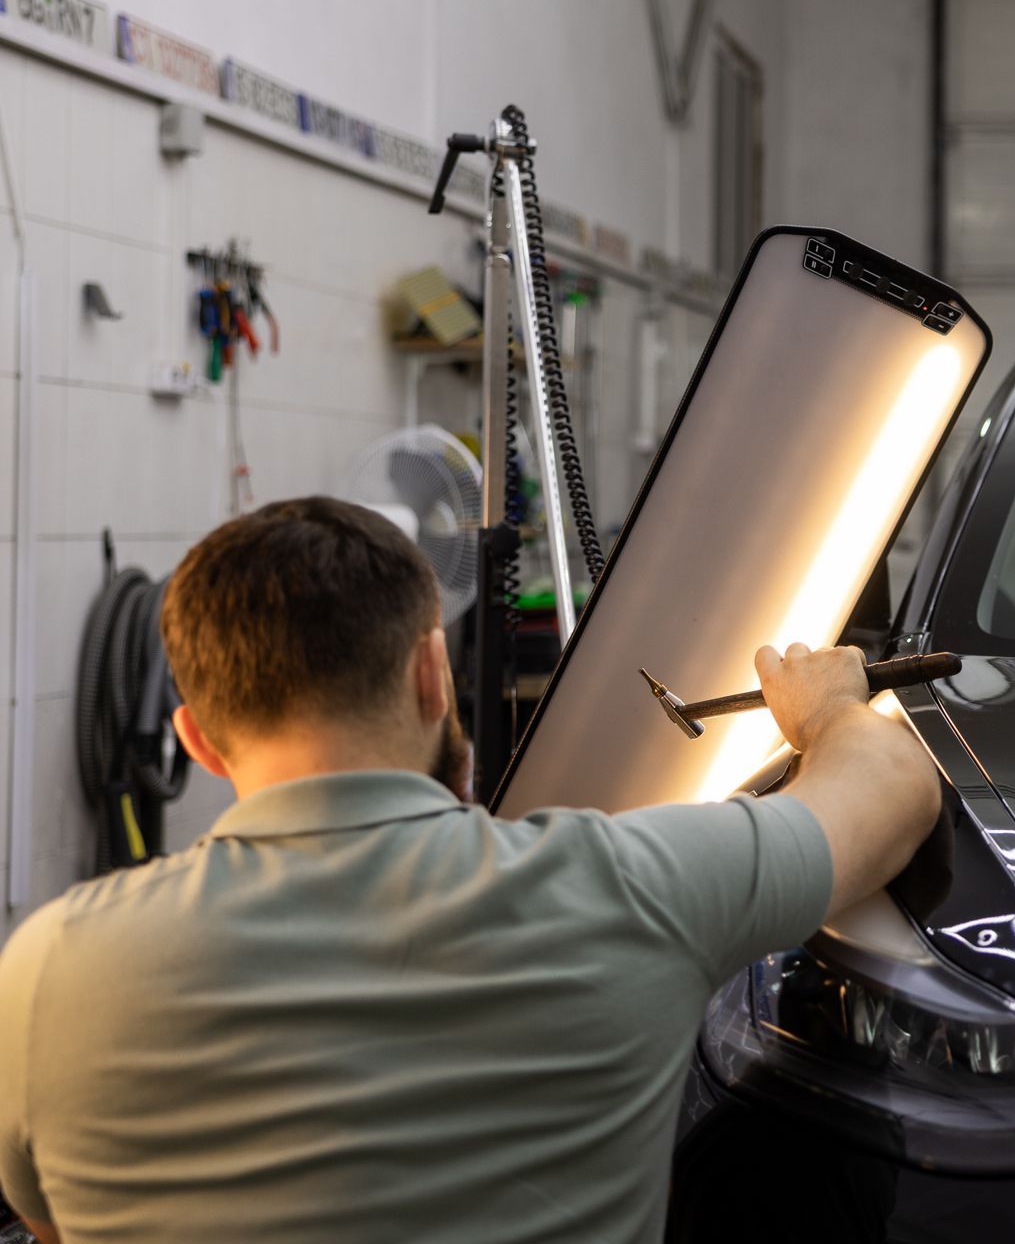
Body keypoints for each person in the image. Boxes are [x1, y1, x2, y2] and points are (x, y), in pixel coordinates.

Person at [0, 497, 941, 1244]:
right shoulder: (632, 887)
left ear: (197, 740)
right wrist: (826, 709)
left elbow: (52, 1222)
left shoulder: (46, 968)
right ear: (431, 677)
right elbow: (895, 787)